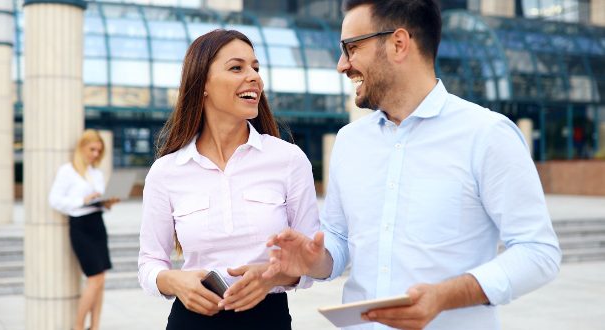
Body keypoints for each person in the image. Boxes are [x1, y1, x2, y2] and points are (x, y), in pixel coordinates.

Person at [263, 1, 562, 329]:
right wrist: (313, 259)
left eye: (351, 48)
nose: (341, 65)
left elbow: (538, 252)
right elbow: (338, 238)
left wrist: (444, 296)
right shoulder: (350, 141)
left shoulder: (488, 135)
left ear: (398, 43)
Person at [137, 29, 319, 330]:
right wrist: (175, 281)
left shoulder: (289, 160)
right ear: (203, 83)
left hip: (268, 320)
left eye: (256, 68)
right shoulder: (166, 172)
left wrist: (271, 276)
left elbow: (312, 262)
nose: (254, 78)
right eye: (237, 68)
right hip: (191, 321)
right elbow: (149, 263)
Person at [49, 129, 119, 330]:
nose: (96, 154)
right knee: (95, 278)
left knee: (101, 279)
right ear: (81, 147)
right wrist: (83, 199)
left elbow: (98, 201)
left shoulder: (96, 173)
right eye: (92, 149)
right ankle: (78, 327)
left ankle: (95, 326)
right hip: (81, 227)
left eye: (99, 151)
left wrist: (107, 202)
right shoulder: (67, 171)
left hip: (97, 224)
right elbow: (54, 200)